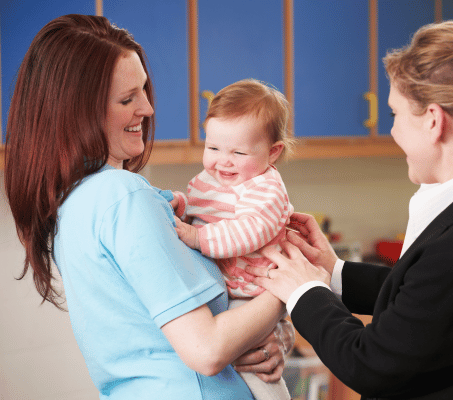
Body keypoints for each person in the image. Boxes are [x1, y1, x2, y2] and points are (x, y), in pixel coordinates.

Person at [248, 20, 453, 400]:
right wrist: (333, 273)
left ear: (433, 120)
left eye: (395, 114)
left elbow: (372, 364)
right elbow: (430, 299)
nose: (392, 131)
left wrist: (303, 292)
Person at [4, 14, 294, 400]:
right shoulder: (122, 197)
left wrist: (269, 337)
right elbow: (206, 350)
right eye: (127, 99)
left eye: (143, 90)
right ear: (78, 112)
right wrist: (293, 284)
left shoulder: (73, 203)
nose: (147, 108)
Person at [171, 78, 295, 400]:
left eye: (238, 152)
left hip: (253, 294)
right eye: (213, 148)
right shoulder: (209, 178)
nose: (222, 161)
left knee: (258, 374)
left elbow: (250, 230)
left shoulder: (266, 189)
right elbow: (200, 211)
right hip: (230, 291)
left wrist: (198, 237)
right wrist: (180, 206)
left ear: (273, 153)